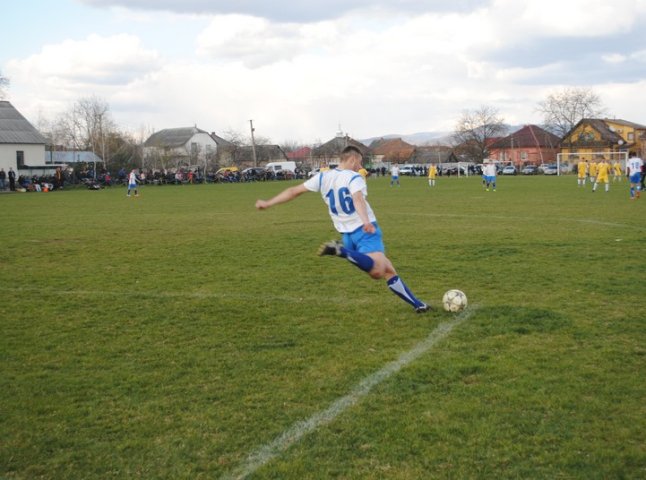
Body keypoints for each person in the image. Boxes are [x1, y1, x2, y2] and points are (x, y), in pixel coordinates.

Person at [255, 145, 430, 313]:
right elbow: (357, 199)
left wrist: (268, 203)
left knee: (388, 270)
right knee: (378, 271)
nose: (360, 166)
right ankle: (341, 251)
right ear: (353, 159)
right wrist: (366, 221)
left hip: (346, 234)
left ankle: (418, 305)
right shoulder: (354, 178)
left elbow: (294, 191)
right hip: (364, 231)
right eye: (359, 162)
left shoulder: (323, 177)